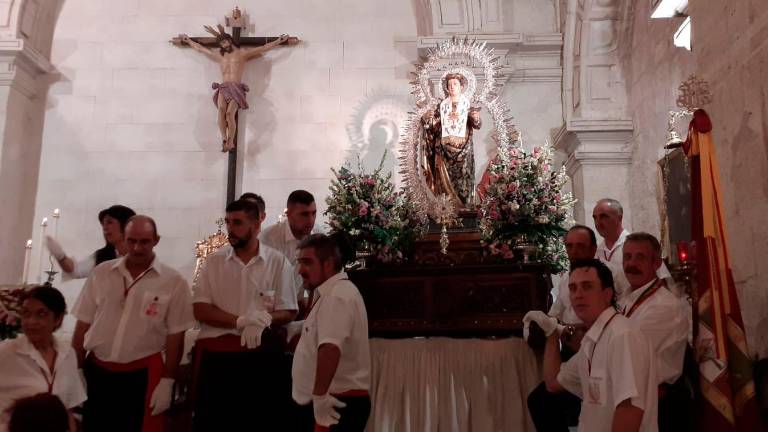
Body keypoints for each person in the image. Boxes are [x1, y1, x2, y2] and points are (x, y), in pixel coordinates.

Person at [71, 215, 195, 432]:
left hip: (142, 375)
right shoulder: (101, 273)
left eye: (144, 241)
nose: (137, 248)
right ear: (123, 240)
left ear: (156, 240)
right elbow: (83, 324)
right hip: (98, 371)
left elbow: (176, 335)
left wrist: (167, 381)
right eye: (132, 241)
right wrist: (77, 369)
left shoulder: (173, 282)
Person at [191, 199, 298, 431]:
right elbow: (200, 307)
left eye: (238, 223)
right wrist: (239, 321)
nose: (231, 228)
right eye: (228, 222)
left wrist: (266, 319)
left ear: (256, 225)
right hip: (219, 360)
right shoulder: (215, 262)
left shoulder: (277, 262)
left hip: (262, 357)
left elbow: (289, 309)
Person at [529, 259, 658, 432]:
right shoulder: (593, 340)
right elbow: (553, 383)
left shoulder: (622, 335)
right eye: (573, 288)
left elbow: (630, 409)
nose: (578, 295)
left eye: (587, 286)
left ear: (607, 294)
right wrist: (551, 333)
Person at [525, 225, 628, 432]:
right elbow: (555, 315)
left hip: (595, 340)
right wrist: (552, 329)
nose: (574, 252)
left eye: (580, 246)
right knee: (541, 399)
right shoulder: (566, 280)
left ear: (592, 249)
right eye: (569, 246)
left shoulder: (612, 275)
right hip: (575, 346)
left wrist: (581, 329)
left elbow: (629, 405)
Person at [292, 234, 371, 431]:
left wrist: (319, 398)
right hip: (333, 398)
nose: (300, 270)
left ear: (328, 264)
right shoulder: (333, 293)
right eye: (300, 262)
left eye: (307, 263)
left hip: (335, 401)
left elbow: (330, 348)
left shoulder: (336, 296)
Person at [620, 232, 689, 431]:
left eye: (640, 257)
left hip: (658, 403)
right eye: (627, 257)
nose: (631, 263)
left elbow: (628, 351)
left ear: (657, 264)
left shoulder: (663, 306)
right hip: (633, 395)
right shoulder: (627, 297)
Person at [180, 26, 289, 152]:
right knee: (221, 110)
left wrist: (278, 41)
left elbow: (263, 48)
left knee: (229, 114)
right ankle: (224, 139)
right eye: (221, 44)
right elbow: (201, 49)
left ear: (230, 40)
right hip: (223, 87)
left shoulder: (242, 54)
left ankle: (231, 140)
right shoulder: (220, 56)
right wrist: (188, 40)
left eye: (225, 42)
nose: (223, 45)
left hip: (236, 88)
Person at [0, 286, 86, 432]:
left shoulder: (67, 354)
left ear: (58, 319)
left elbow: (69, 407)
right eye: (26, 313)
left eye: (41, 314)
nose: (31, 321)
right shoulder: (6, 352)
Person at [421, 72, 481, 207]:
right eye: (449, 84)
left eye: (455, 84)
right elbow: (434, 126)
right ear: (446, 88)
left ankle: (464, 207)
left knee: (464, 179)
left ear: (462, 87)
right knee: (443, 183)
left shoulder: (468, 106)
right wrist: (427, 118)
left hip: (464, 150)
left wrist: (476, 118)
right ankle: (446, 209)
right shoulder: (441, 107)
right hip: (443, 149)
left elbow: (477, 124)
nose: (452, 87)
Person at [591, 199, 674, 293]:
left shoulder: (639, 246)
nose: (598, 223)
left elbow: (665, 283)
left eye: (603, 216)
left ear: (619, 218)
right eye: (595, 218)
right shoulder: (596, 254)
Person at [45, 204, 136, 280]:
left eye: (109, 222)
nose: (105, 228)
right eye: (103, 224)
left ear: (126, 225)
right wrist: (60, 256)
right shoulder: (102, 256)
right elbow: (75, 270)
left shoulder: (140, 255)